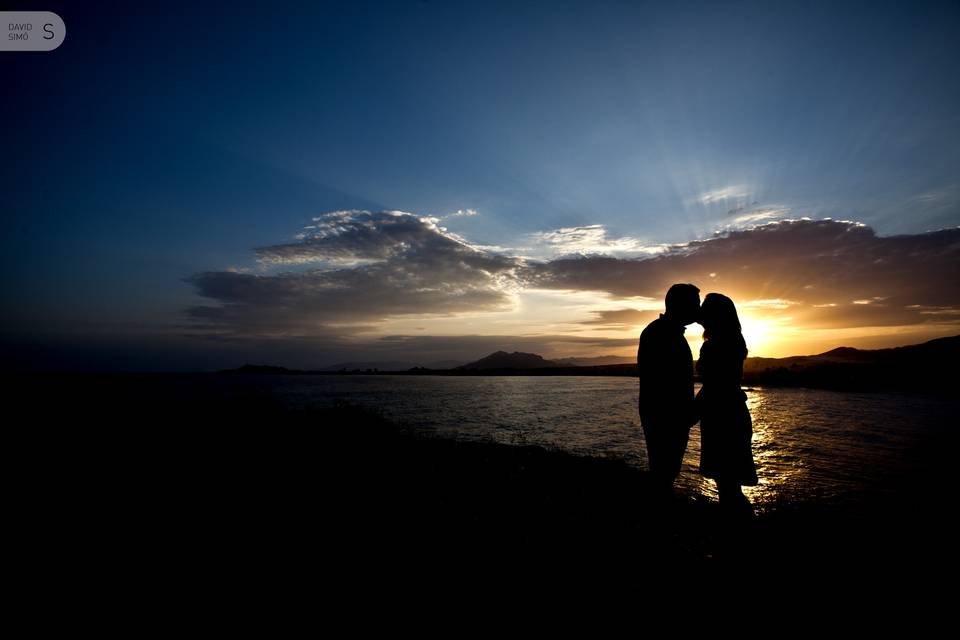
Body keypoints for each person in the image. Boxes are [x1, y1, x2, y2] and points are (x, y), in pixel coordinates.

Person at [696, 293, 758, 513]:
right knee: (730, 485)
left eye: (705, 308)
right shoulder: (732, 340)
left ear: (715, 315)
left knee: (727, 486)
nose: (700, 311)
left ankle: (737, 534)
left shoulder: (715, 345)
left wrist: (690, 414)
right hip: (732, 413)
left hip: (721, 418)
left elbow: (713, 387)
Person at [637, 283, 701, 493]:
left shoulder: (664, 331)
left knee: (665, 472)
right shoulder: (661, 334)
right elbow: (662, 382)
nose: (698, 310)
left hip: (667, 417)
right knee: (664, 473)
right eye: (695, 304)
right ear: (681, 305)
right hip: (665, 418)